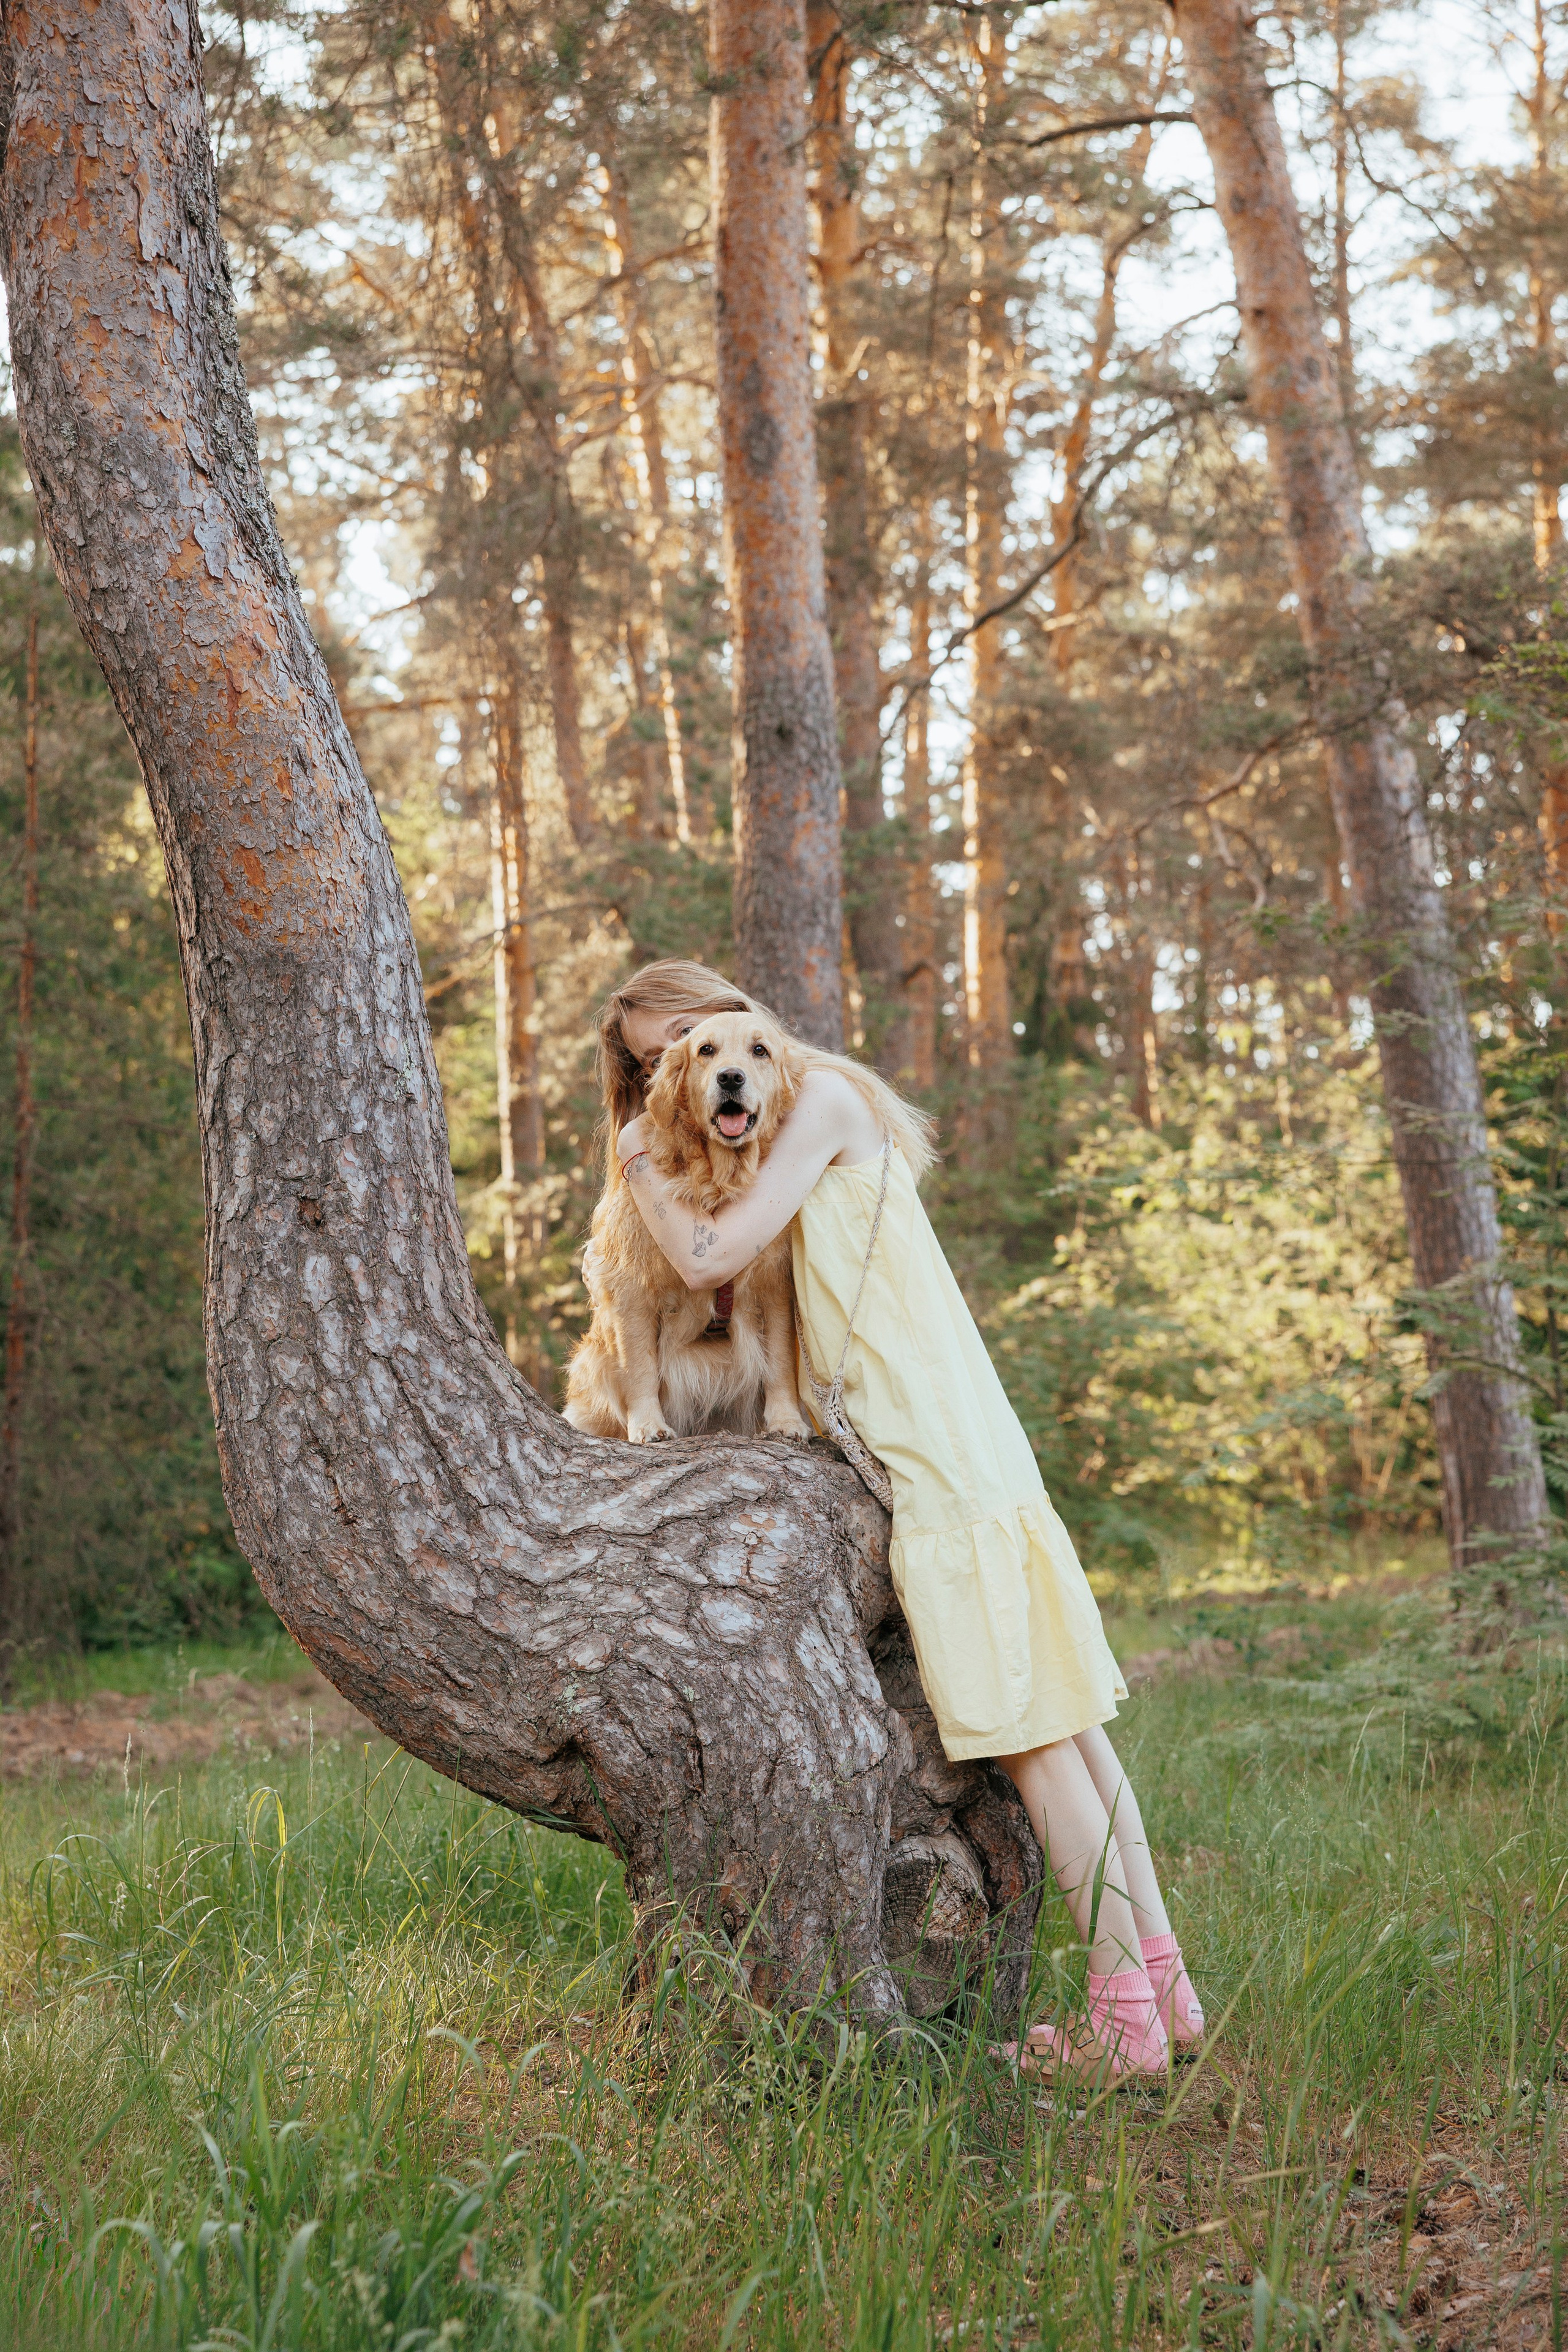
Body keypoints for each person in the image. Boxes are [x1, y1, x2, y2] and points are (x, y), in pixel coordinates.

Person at [592, 958, 1203, 2081]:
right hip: (948, 1434)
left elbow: (705, 1254)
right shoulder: (776, 1116)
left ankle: (1124, 2032)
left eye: (689, 1029)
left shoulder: (819, 1098)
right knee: (1072, 1732)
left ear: (737, 1011)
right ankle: (1165, 1989)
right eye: (649, 1060)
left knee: (1030, 1741)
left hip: (928, 1442)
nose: (685, 1062)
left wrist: (638, 1158)